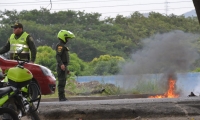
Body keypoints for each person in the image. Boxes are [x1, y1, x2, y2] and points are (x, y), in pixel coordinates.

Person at [55, 30, 75, 102]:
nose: (68, 40)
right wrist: (61, 65)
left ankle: (63, 97)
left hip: (64, 66)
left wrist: (66, 68)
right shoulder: (60, 46)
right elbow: (58, 56)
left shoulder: (63, 46)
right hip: (61, 67)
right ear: (63, 38)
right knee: (61, 82)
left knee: (63, 82)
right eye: (67, 38)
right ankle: (61, 97)